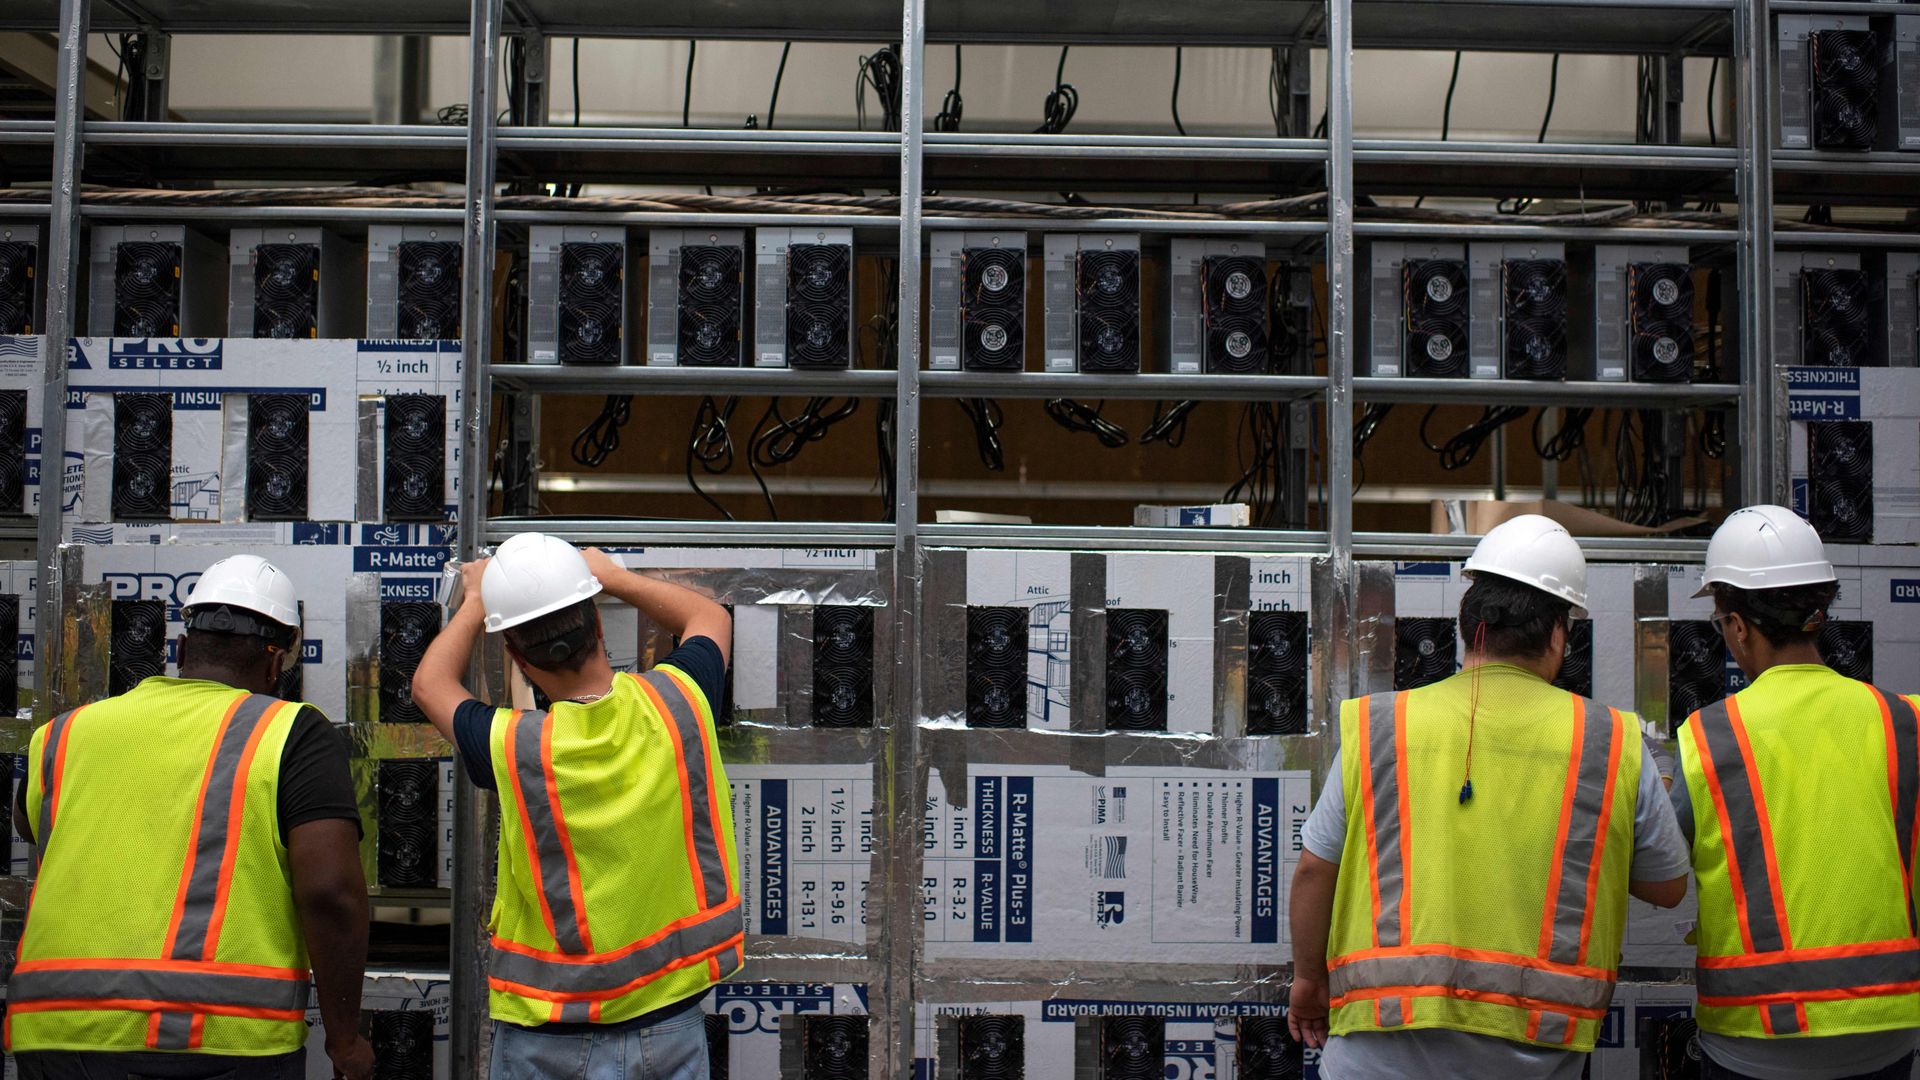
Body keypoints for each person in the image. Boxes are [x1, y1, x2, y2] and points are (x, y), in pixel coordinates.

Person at [1287, 514, 1691, 1079]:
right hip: (1531, 1056)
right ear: (1557, 633)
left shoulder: (1382, 727)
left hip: (1377, 1052)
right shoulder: (1611, 742)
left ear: (1468, 622)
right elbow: (1668, 886)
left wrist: (1309, 979)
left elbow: (1313, 871)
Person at [6, 555, 372, 1080]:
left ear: (181, 649)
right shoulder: (291, 732)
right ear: (276, 663)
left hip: (55, 1031)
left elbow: (31, 826)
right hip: (214, 1037)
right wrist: (345, 1039)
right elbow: (330, 892)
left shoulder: (63, 733)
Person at [413, 532, 740, 1080]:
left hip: (549, 1034)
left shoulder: (514, 745)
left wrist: (476, 601)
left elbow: (429, 684)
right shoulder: (678, 701)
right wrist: (612, 576)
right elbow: (710, 618)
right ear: (596, 622)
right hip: (671, 1026)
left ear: (515, 653)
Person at [1671, 504, 1920, 1080]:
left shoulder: (1709, 738)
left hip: (1756, 1037)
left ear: (1736, 625)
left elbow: (1658, 869)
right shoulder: (1904, 723)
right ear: (1818, 612)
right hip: (1886, 1029)